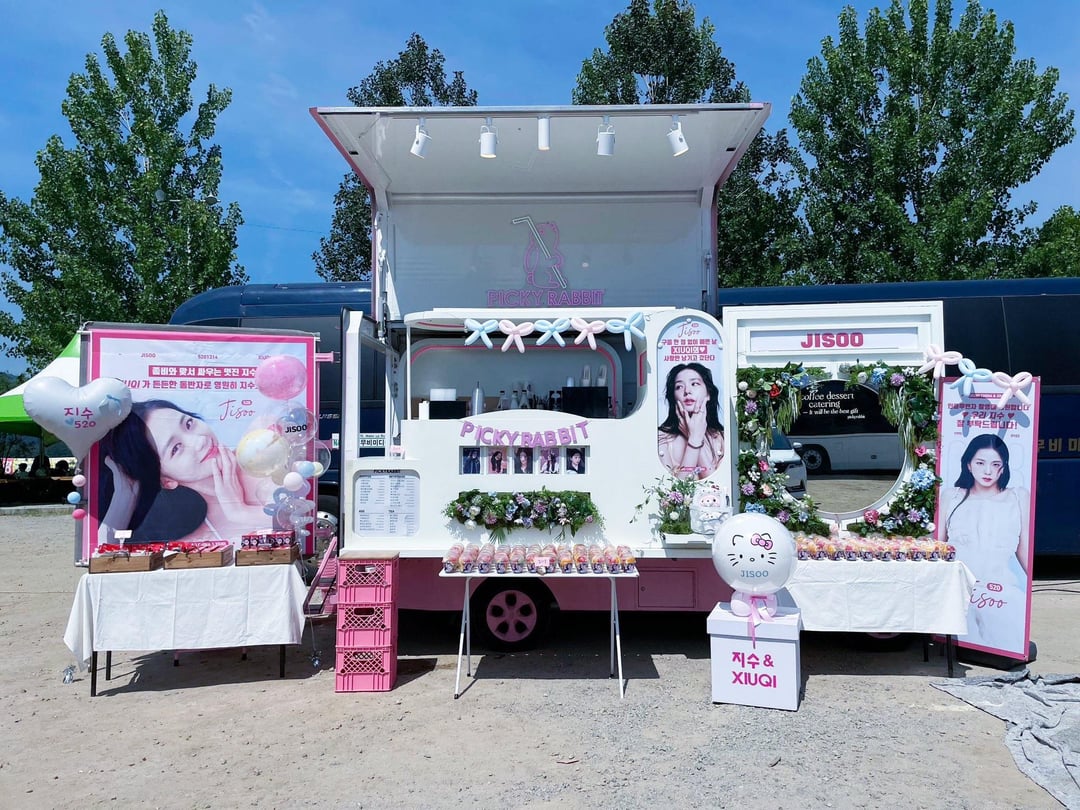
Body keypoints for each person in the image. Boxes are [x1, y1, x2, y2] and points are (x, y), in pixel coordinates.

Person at [98, 399, 270, 546]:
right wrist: (124, 494)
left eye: (189, 424)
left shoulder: (266, 441)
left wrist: (242, 512)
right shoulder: (199, 541)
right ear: (166, 481)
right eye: (176, 448)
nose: (199, 441)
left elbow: (290, 522)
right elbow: (102, 555)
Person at [939, 433, 1030, 651]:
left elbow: (1024, 548)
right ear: (969, 464)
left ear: (1003, 468)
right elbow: (939, 547)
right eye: (980, 463)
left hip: (1001, 591)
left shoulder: (1018, 497)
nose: (988, 471)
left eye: (995, 464)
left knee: (1005, 640)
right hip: (959, 588)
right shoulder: (951, 496)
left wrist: (1029, 588)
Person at [657, 362, 725, 481]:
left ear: (708, 393)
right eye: (679, 387)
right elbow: (676, 488)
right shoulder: (661, 438)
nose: (687, 391)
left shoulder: (721, 437)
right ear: (673, 396)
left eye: (694, 384)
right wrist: (694, 439)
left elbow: (714, 483)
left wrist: (694, 436)